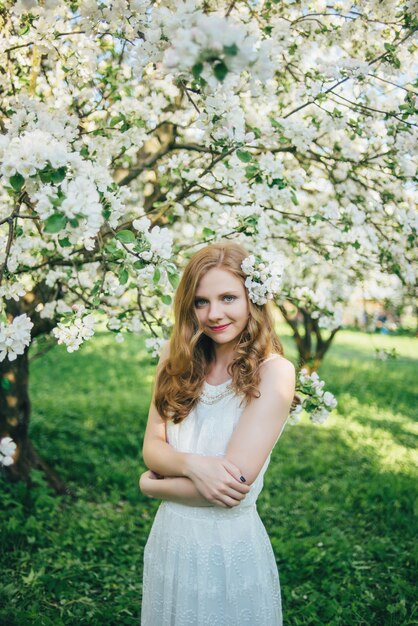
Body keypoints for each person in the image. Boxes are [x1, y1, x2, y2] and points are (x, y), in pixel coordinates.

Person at [139, 241, 296, 626]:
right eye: (201, 301)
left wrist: (151, 487)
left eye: (228, 297)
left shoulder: (273, 373)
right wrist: (195, 465)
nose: (214, 314)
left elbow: (231, 489)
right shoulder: (173, 357)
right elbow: (152, 448)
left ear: (253, 299)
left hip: (227, 551)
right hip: (170, 541)